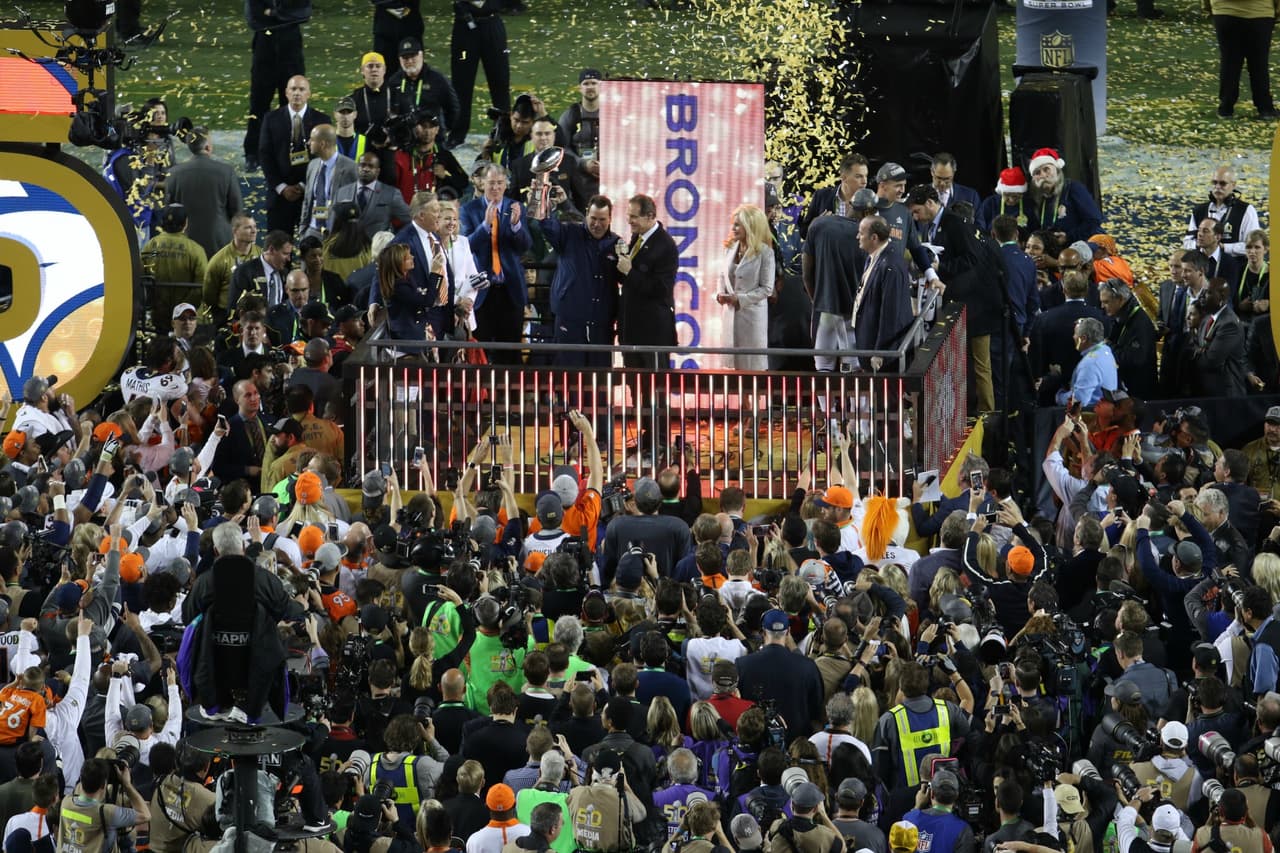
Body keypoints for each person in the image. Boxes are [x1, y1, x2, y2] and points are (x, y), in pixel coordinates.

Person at [539, 195, 620, 368]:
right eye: (593, 219)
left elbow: (626, 279)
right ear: (586, 215)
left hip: (601, 325)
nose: (597, 224)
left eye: (602, 220)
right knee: (569, 378)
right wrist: (542, 196)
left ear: (610, 219)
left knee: (599, 381)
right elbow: (546, 224)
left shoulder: (617, 244)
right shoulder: (569, 233)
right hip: (569, 322)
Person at [466, 166, 532, 362]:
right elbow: (467, 245)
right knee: (481, 351)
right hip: (481, 292)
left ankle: (509, 393)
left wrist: (515, 226)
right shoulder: (469, 209)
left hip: (510, 290)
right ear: (482, 184)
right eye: (491, 183)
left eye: (499, 183)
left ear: (506, 185)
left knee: (511, 351)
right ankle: (482, 393)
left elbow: (525, 245)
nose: (495, 187)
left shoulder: (516, 207)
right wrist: (485, 226)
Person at [734, 609, 824, 744]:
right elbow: (817, 711)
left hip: (755, 745)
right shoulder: (808, 666)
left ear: (763, 632)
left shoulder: (743, 665)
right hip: (796, 749)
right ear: (788, 632)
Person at [243, 0, 310, 172]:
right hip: (265, 51)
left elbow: (304, 12)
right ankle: (252, 153)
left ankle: (289, 151)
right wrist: (286, 14)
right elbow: (253, 18)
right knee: (258, 104)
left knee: (292, 105)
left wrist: (273, 13)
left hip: (291, 51)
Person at [258, 76, 331, 235]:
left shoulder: (322, 121)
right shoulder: (271, 119)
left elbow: (325, 159)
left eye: (301, 89)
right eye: (293, 89)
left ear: (309, 94)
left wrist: (303, 185)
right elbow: (265, 156)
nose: (297, 93)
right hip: (279, 197)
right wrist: (282, 187)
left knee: (312, 248)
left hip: (310, 196)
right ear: (286, 93)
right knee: (278, 249)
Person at [615, 193, 678, 370]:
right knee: (634, 386)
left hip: (653, 334)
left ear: (650, 216)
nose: (629, 221)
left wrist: (629, 271)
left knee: (655, 388)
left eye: (634, 216)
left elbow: (661, 289)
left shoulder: (665, 245)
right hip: (631, 330)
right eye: (628, 215)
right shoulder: (637, 237)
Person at [164, 127, 241, 259]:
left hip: (185, 242)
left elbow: (168, 210)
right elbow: (237, 210)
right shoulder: (226, 172)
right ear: (207, 147)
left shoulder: (174, 173)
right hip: (219, 241)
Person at [716, 204, 775, 370]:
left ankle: (752, 397)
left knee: (752, 369)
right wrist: (720, 294)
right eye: (733, 224)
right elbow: (722, 275)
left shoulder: (765, 252)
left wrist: (740, 299)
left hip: (752, 319)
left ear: (750, 226)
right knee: (732, 368)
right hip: (730, 316)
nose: (733, 228)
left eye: (737, 224)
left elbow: (767, 289)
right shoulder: (729, 248)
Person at [389, 193, 454, 342]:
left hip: (442, 311)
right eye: (436, 211)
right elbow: (383, 269)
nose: (440, 215)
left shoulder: (434, 236)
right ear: (421, 215)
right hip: (421, 317)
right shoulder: (402, 241)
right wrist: (374, 301)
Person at [447, 0, 511, 149]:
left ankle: (504, 131)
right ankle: (457, 132)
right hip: (464, 26)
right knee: (461, 82)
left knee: (500, 80)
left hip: (492, 22)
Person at [852, 214, 914, 361]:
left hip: (881, 352)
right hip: (868, 339)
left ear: (874, 238)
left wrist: (881, 352)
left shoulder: (890, 265)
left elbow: (891, 313)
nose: (857, 237)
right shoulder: (873, 257)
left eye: (861, 233)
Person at [56, 758, 150, 852]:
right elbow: (145, 815)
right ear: (103, 785)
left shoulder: (66, 802)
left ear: (81, 780)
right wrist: (127, 784)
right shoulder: (106, 813)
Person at [140, 204, 208, 327]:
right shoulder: (196, 250)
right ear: (186, 223)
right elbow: (201, 286)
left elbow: (141, 278)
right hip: (185, 319)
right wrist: (183, 308)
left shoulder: (150, 245)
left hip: (158, 314)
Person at [1023, 147, 1103, 245]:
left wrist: (1068, 237)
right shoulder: (1035, 197)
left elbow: (1094, 220)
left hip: (1082, 243)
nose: (1043, 175)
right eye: (1037, 173)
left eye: (1046, 169)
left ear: (1057, 170)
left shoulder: (1073, 188)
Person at [388, 37, 461, 142]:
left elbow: (453, 109)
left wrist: (441, 130)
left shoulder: (438, 80)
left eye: (413, 56)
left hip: (433, 140)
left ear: (421, 55)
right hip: (404, 139)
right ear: (399, 59)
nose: (409, 61)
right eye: (405, 57)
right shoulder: (394, 81)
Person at [1099, 277, 1158, 399]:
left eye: (1106, 302)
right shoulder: (1121, 316)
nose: (1102, 306)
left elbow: (1136, 359)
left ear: (1120, 299)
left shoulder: (1139, 323)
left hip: (1139, 394)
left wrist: (1109, 346)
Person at [1190, 276, 1249, 398]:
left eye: (1208, 293)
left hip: (1225, 393)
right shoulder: (1207, 318)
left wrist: (1199, 353)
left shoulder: (1229, 324)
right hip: (1207, 390)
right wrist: (1201, 351)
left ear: (1221, 297)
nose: (1202, 296)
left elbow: (1211, 361)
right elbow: (1193, 344)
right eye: (1203, 292)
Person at [298, 123, 358, 240]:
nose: (308, 142)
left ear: (322, 144)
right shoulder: (312, 165)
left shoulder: (351, 168)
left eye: (312, 139)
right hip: (312, 231)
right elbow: (307, 200)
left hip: (337, 235)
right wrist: (303, 230)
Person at [1186, 167, 1263, 256]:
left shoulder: (1246, 210)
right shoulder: (1199, 210)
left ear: (1233, 185)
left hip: (1234, 266)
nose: (1218, 187)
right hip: (1203, 266)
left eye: (1223, 184)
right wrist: (1201, 246)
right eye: (1214, 183)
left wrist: (1222, 247)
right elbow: (1187, 242)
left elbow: (1254, 246)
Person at [394, 113, 468, 203]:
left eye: (431, 127)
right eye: (423, 126)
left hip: (432, 206)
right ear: (415, 128)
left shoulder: (443, 155)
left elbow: (464, 181)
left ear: (437, 130)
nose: (427, 131)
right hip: (407, 203)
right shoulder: (405, 152)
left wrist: (445, 175)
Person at [900, 767, 975, 853]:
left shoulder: (909, 818)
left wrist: (917, 806)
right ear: (956, 796)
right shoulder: (963, 830)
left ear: (931, 793)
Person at [799, 153, 869, 238]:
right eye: (858, 176)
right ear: (844, 177)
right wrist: (816, 223)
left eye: (866, 176)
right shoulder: (822, 196)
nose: (864, 181)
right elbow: (803, 233)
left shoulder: (869, 202)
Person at [1054, 316, 1118, 407]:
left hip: (1091, 414)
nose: (1073, 337)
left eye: (1075, 334)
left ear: (1083, 339)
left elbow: (1079, 401)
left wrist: (1059, 396)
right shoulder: (1105, 350)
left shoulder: (1090, 363)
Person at [558, 69, 602, 163]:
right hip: (577, 171)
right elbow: (561, 147)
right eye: (586, 84)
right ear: (579, 88)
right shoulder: (570, 115)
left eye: (594, 83)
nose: (590, 87)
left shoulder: (612, 115)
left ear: (602, 86)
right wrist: (583, 164)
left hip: (609, 169)